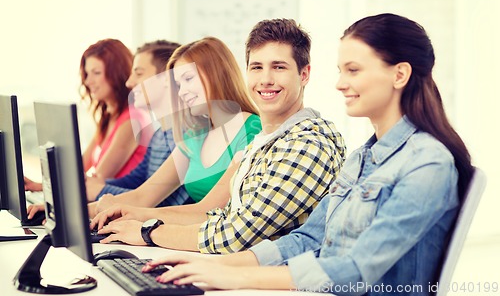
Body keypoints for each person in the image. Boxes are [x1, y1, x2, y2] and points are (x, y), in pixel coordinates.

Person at [141, 13, 474, 295]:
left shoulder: (427, 163)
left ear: (399, 74)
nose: (340, 84)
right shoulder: (363, 157)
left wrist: (233, 275)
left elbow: (356, 271)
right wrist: (211, 265)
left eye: (353, 70)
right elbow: (307, 239)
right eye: (341, 71)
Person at [91, 19, 346, 254]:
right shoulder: (255, 143)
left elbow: (232, 230)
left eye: (278, 67)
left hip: (252, 266)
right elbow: (218, 216)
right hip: (226, 258)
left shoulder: (288, 139)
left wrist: (147, 228)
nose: (266, 79)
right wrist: (126, 214)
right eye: (256, 67)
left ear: (304, 74)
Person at [87, 36, 262, 219]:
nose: (182, 92)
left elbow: (207, 210)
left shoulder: (252, 130)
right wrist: (85, 211)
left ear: (215, 73)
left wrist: (128, 212)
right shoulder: (196, 134)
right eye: (178, 84)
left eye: (188, 79)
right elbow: (143, 196)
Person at [24, 38, 150, 193]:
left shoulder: (132, 120)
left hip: (115, 207)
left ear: (117, 73)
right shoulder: (108, 117)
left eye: (96, 73)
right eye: (87, 73)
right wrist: (41, 186)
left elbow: (96, 181)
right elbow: (80, 167)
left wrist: (46, 189)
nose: (88, 81)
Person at [85, 40, 192, 207]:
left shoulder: (188, 135)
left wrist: (99, 191)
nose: (129, 83)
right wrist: (99, 186)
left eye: (139, 73)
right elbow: (137, 181)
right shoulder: (159, 135)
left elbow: (161, 203)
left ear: (166, 77)